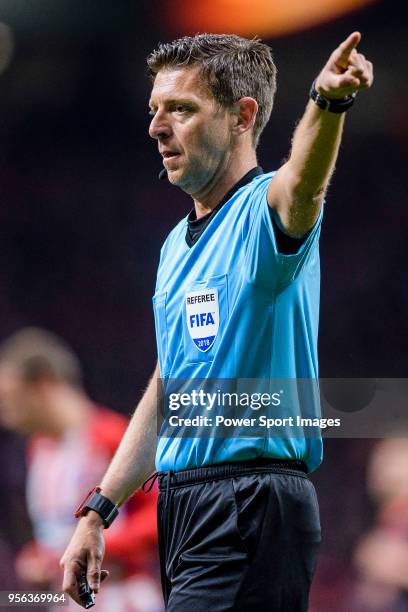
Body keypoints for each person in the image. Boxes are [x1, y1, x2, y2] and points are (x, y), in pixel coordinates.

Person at [60, 33, 374, 611]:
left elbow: (302, 181)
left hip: (250, 501)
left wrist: (327, 104)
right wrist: (99, 509)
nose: (157, 127)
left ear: (242, 116)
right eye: (155, 110)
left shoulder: (264, 214)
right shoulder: (174, 247)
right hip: (185, 507)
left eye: (180, 108)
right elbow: (170, 387)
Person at [0, 327, 163, 612]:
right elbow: (56, 532)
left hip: (122, 598)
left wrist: (95, 544)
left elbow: (159, 515)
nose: (7, 416)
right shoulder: (37, 451)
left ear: (44, 384)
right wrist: (41, 557)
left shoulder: (112, 438)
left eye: (12, 400)